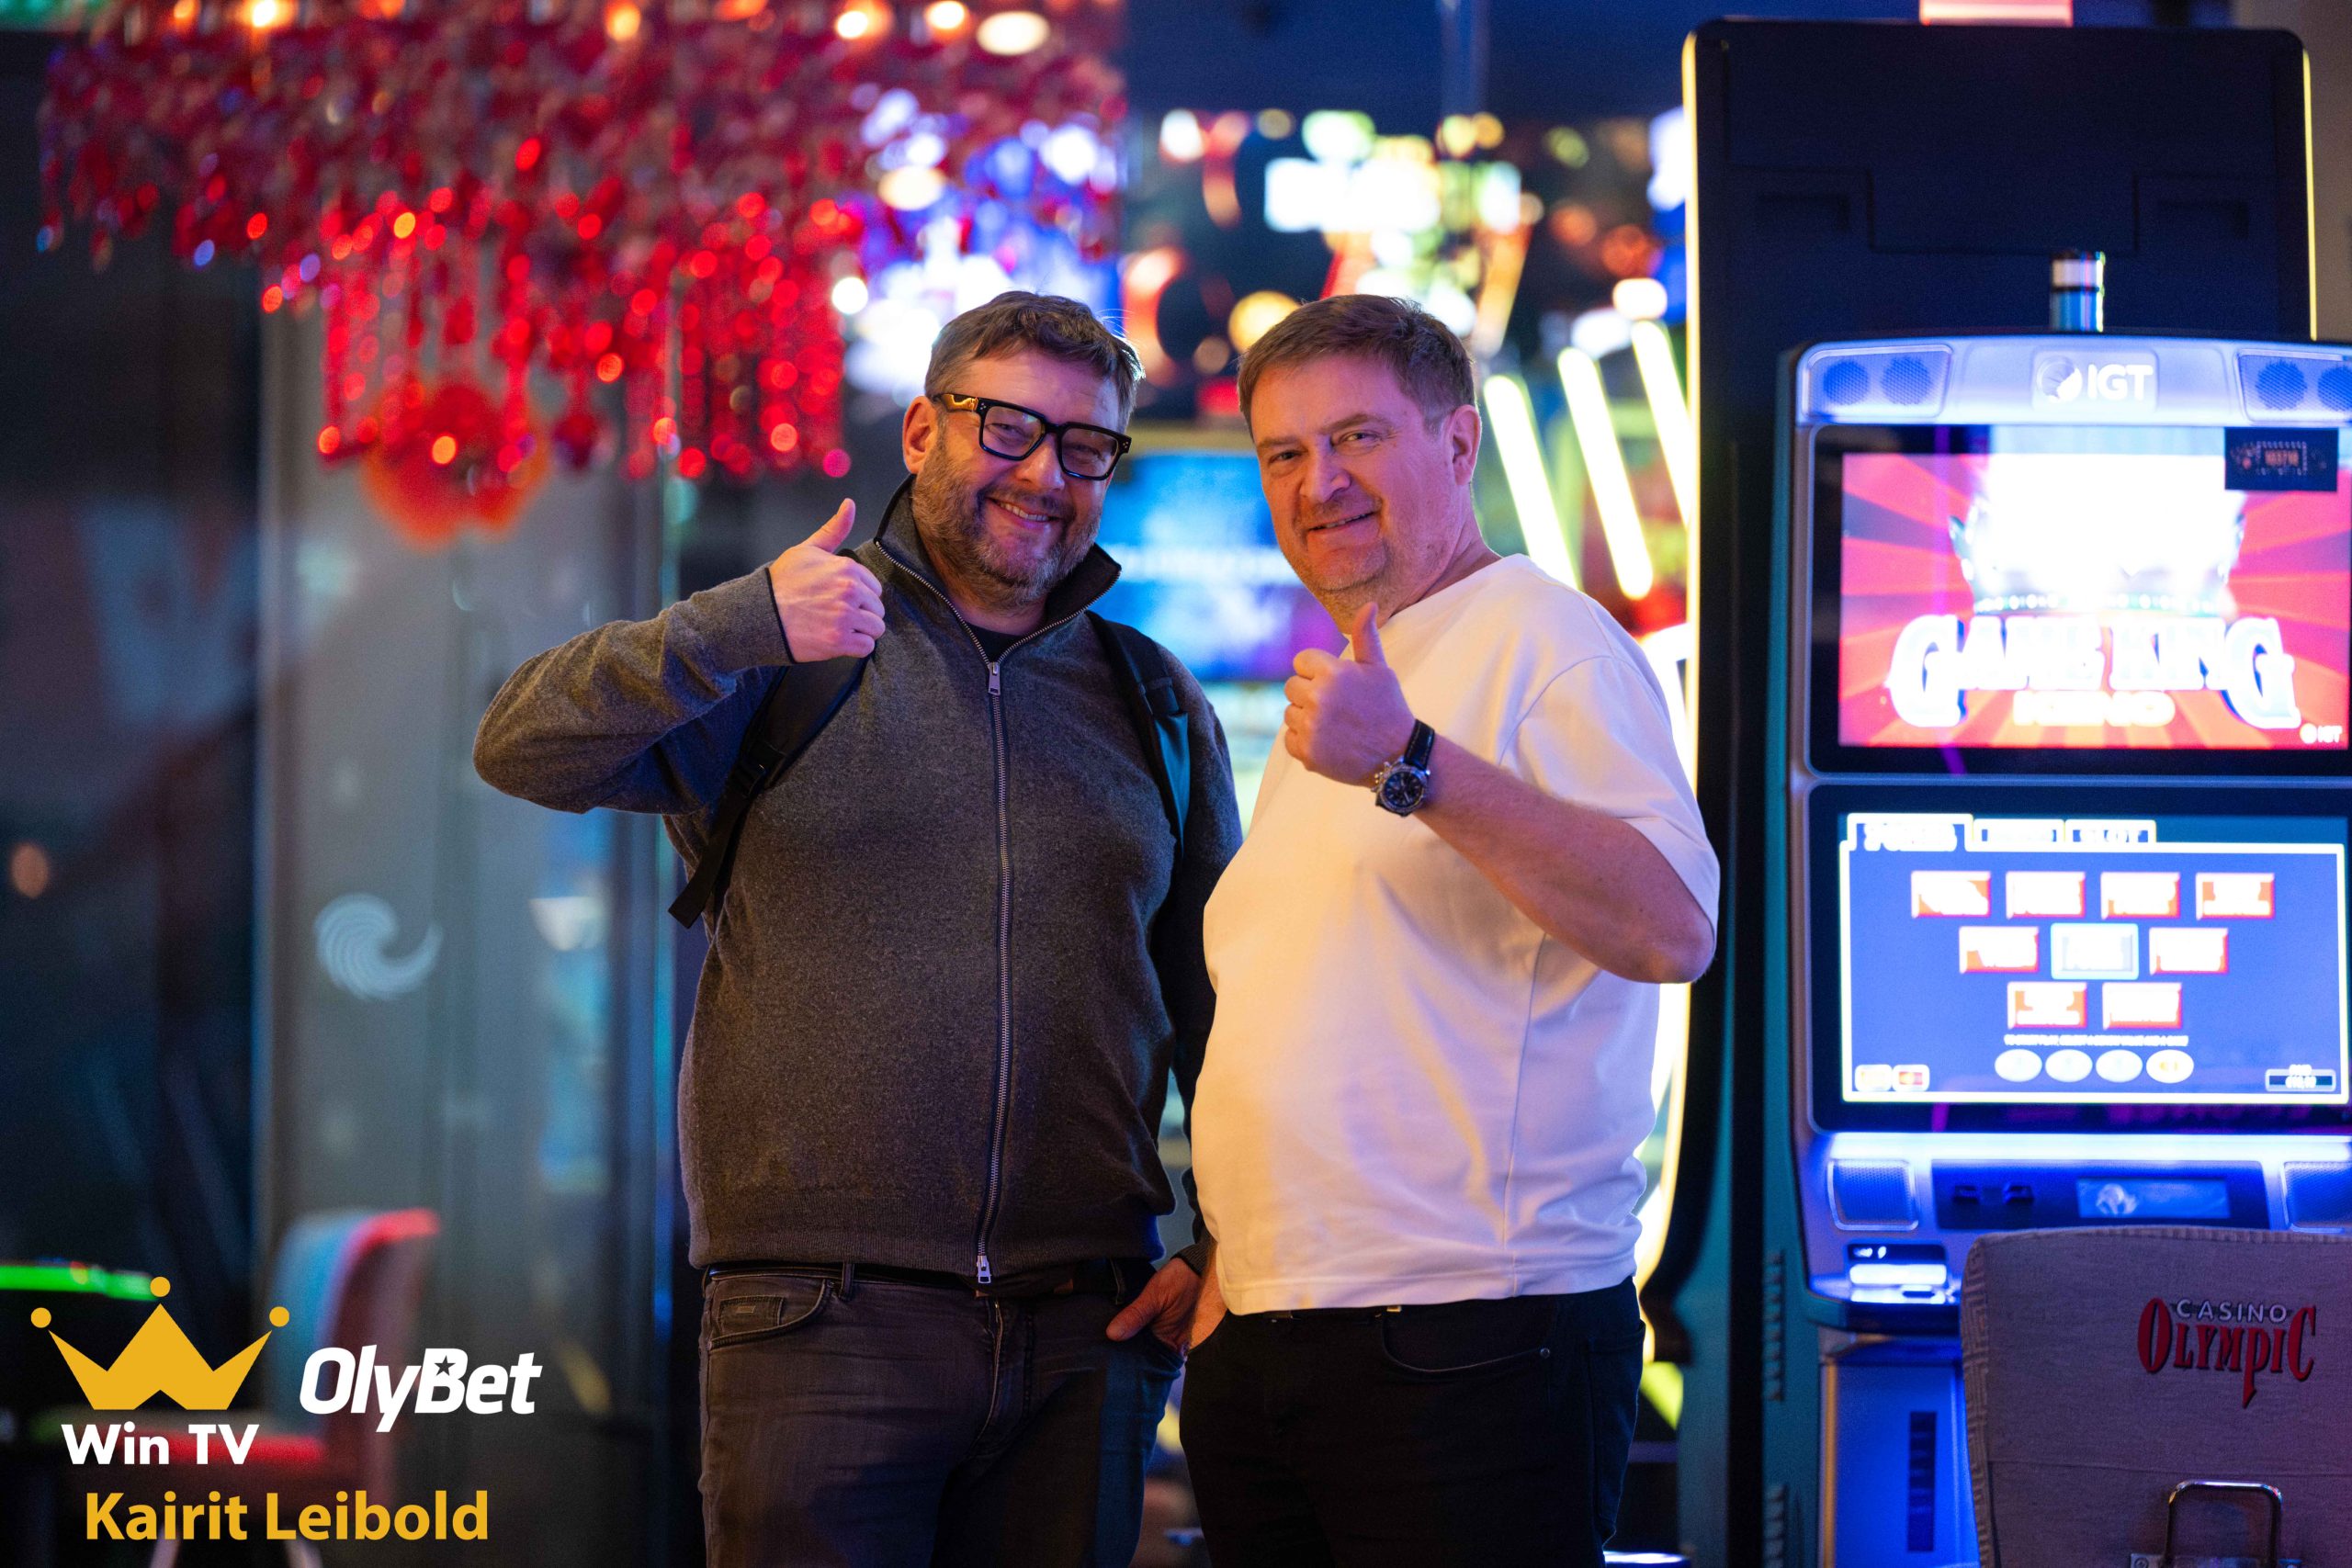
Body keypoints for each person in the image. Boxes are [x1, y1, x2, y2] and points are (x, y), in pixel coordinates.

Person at [472, 292, 1242, 1568]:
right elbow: (519, 745)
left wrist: (1227, 1239)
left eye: (1086, 447)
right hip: (818, 1324)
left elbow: (1224, 1003)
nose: (1045, 474)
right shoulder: (783, 654)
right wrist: (737, 625)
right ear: (924, 432)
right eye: (1008, 428)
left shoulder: (1150, 697)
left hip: (1084, 1335)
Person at [1179, 293, 1719, 1568]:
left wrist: (1411, 762)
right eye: (1284, 452)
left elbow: (1672, 925)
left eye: (1358, 438)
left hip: (1472, 1339)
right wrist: (1228, 1267)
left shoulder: (1548, 641)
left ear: (1460, 443)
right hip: (1279, 1330)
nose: (1319, 482)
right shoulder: (1355, 679)